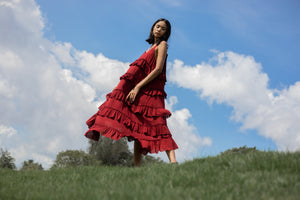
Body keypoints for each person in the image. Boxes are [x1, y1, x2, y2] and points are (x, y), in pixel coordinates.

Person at [84, 18, 178, 166]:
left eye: (163, 28)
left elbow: (158, 69)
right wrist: (121, 87)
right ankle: (137, 168)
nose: (159, 29)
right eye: (157, 26)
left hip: (152, 92)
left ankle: (174, 163)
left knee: (160, 125)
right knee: (139, 131)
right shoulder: (149, 48)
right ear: (153, 27)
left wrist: (137, 87)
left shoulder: (163, 45)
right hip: (141, 92)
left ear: (167, 33)